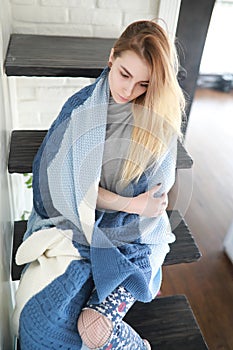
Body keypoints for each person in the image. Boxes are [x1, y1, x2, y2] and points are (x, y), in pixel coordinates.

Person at [13, 20, 185, 349]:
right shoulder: (81, 110)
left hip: (136, 241)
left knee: (92, 326)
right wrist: (132, 203)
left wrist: (134, 208)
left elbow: (155, 200)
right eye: (124, 74)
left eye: (142, 84)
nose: (129, 90)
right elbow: (74, 190)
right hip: (79, 227)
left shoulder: (155, 119)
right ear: (111, 58)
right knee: (43, 322)